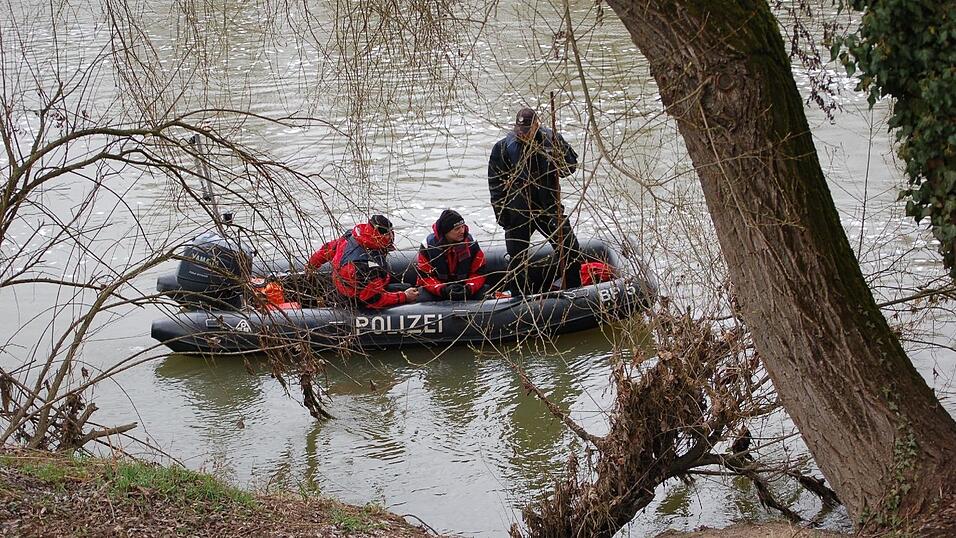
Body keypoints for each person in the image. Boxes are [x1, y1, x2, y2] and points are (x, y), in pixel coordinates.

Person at [488, 107, 584, 293]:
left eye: (527, 131)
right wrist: (502, 216)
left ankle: (575, 290)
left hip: (548, 207)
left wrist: (559, 155)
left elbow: (569, 168)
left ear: (536, 126)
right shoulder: (502, 149)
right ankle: (519, 297)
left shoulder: (551, 140)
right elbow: (495, 185)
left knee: (570, 249)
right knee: (517, 259)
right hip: (518, 211)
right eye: (520, 131)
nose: (522, 135)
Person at [307, 215, 419, 309]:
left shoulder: (350, 237)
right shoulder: (366, 266)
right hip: (355, 302)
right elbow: (373, 300)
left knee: (407, 286)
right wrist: (404, 296)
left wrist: (311, 265)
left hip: (341, 289)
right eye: (387, 234)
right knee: (411, 293)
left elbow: (327, 250)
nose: (391, 236)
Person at [417, 209, 488, 301]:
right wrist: (443, 290)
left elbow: (479, 272)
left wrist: (469, 288)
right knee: (422, 296)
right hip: (439, 290)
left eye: (463, 227)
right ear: (446, 232)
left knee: (485, 291)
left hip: (465, 288)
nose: (462, 231)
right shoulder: (428, 246)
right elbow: (425, 277)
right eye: (457, 229)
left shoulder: (471, 243)